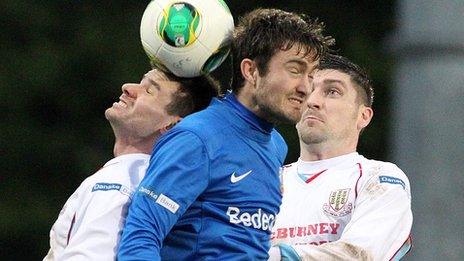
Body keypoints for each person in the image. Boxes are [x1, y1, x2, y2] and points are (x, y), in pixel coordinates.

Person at [117, 8, 334, 260]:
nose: (306, 87)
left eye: (311, 75)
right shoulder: (197, 138)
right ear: (251, 71)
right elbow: (142, 235)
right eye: (295, 70)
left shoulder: (276, 145)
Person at [43, 68, 219, 260]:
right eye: (140, 82)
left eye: (150, 91)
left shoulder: (123, 180)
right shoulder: (171, 188)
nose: (128, 88)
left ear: (172, 125)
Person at [269, 54, 413, 260]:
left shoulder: (379, 179)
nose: (312, 101)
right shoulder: (265, 180)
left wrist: (271, 255)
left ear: (364, 116)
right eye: (308, 90)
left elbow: (360, 255)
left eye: (332, 92)